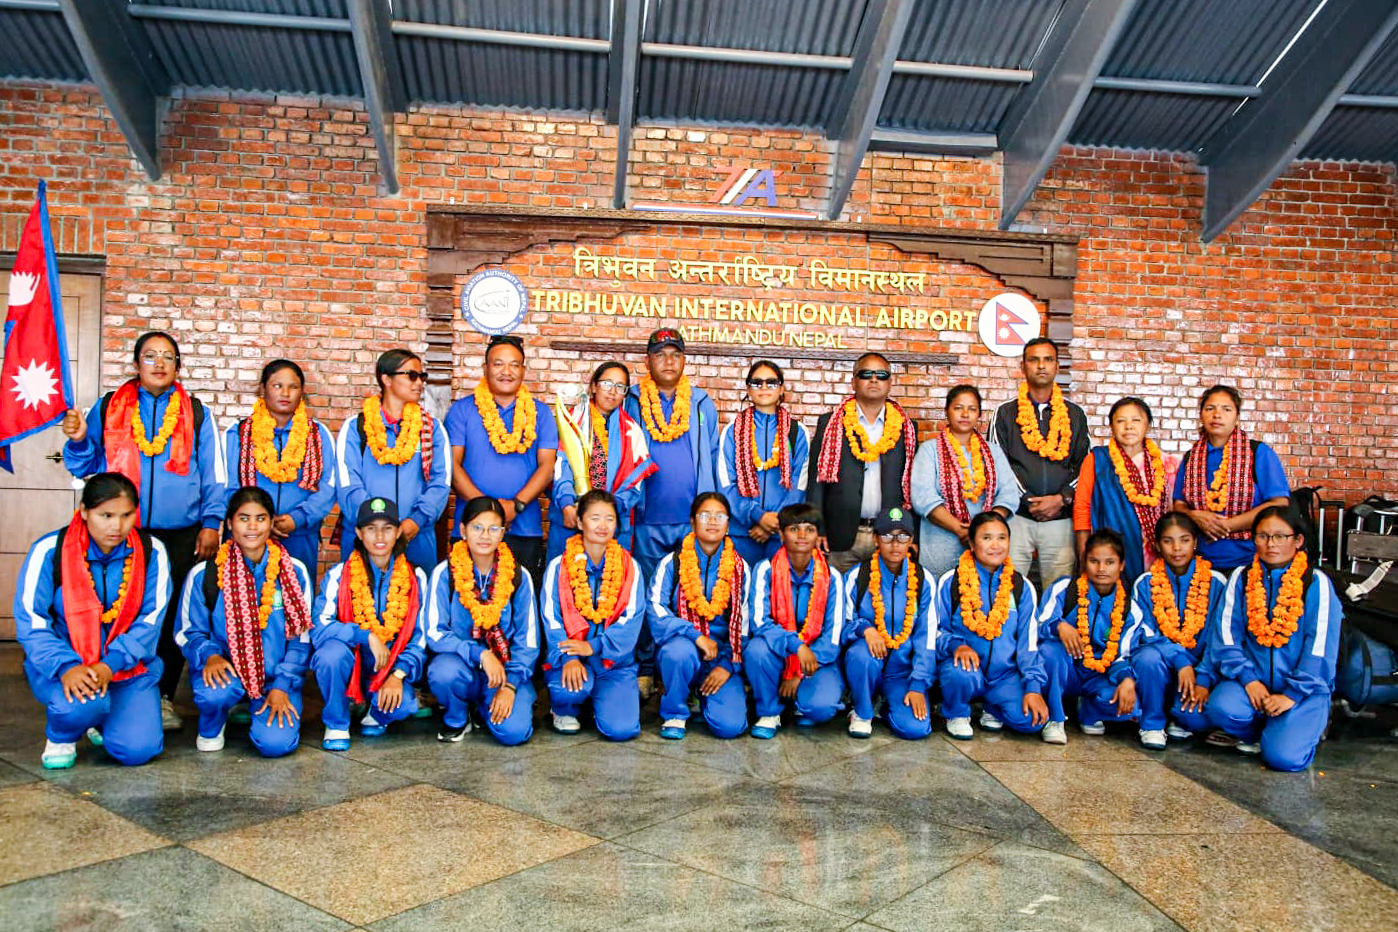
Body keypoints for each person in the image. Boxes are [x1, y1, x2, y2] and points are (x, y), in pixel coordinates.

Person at [61, 330, 226, 731]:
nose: (159, 363)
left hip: (181, 534)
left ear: (178, 367)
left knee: (170, 618)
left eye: (168, 356)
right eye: (150, 356)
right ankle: (109, 691)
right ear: (136, 364)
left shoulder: (197, 413)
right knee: (118, 612)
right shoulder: (109, 407)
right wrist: (79, 440)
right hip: (120, 531)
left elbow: (214, 475)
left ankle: (163, 696)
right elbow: (84, 466)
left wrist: (210, 523)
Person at [14, 472, 171, 769]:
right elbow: (32, 621)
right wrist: (66, 667)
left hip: (126, 668)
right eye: (106, 515)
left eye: (126, 515)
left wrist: (109, 665)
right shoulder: (50, 550)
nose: (117, 526)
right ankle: (62, 735)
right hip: (66, 666)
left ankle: (102, 720)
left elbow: (151, 621)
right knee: (81, 705)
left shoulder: (151, 552)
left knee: (138, 750)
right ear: (84, 511)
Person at [176, 487, 314, 757]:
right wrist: (210, 656)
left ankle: (258, 707)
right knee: (216, 692)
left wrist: (282, 685)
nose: (252, 527)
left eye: (261, 519)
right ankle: (213, 723)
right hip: (225, 672)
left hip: (275, 678)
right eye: (243, 518)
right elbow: (188, 632)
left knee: (276, 744)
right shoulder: (206, 573)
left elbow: (301, 639)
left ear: (271, 523)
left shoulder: (294, 571)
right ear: (229, 523)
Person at [1205, 506, 1342, 771]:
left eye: (1280, 536)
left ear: (1298, 540)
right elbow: (1226, 638)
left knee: (1284, 759)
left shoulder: (1316, 582)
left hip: (1303, 689)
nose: (1271, 544)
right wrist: (1248, 679)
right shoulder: (1241, 578)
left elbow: (1320, 649)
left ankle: (1303, 725)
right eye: (1263, 536)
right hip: (1252, 684)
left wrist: (1291, 695)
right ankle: (1258, 732)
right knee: (1221, 708)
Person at [625, 328, 720, 695]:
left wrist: (710, 511)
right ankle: (647, 668)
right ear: (648, 361)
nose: (668, 361)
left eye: (675, 354)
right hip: (646, 519)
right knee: (650, 597)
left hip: (692, 522)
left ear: (684, 360)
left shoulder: (701, 403)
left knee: (693, 596)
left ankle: (690, 674)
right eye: (660, 354)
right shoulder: (633, 401)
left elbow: (713, 455)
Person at [311, 497, 429, 751]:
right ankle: (337, 722)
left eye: (387, 528)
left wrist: (398, 675)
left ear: (398, 532)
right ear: (359, 533)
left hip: (388, 669)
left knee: (405, 705)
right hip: (351, 665)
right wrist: (364, 635)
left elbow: (421, 636)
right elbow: (319, 627)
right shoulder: (339, 575)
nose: (380, 536)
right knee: (329, 655)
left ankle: (375, 713)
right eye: (371, 528)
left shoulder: (415, 576)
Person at [425, 496, 539, 746]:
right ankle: (457, 717)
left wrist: (511, 685)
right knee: (443, 673)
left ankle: (487, 707)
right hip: (461, 665)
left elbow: (528, 641)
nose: (485, 535)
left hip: (504, 671)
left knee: (514, 733)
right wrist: (480, 654)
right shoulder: (445, 573)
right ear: (463, 530)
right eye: (477, 527)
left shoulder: (518, 576)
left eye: (493, 528)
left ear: (503, 533)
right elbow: (435, 633)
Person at [446, 335, 558, 585]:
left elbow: (547, 467)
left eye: (514, 365)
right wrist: (487, 511)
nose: (506, 371)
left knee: (521, 597)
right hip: (472, 527)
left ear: (523, 370)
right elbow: (451, 466)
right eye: (498, 364)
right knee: (468, 598)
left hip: (524, 527)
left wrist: (516, 506)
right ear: (485, 368)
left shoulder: (540, 413)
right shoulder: (462, 410)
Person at [540, 490, 646, 740]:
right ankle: (564, 709)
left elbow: (631, 621)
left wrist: (594, 646)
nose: (602, 525)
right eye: (594, 518)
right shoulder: (559, 566)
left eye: (609, 519)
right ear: (579, 522)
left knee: (621, 729)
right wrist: (569, 657)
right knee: (569, 691)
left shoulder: (630, 567)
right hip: (571, 658)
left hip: (612, 662)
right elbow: (552, 620)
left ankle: (602, 701)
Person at [935, 511, 1050, 741]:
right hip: (965, 668)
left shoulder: (1021, 587)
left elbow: (1028, 645)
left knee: (1032, 720)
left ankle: (992, 706)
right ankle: (957, 712)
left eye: (1002, 538)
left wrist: (1033, 688)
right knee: (959, 674)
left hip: (1004, 675)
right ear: (971, 543)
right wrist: (956, 645)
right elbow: (935, 632)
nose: (995, 545)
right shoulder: (952, 581)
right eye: (986, 538)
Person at [646, 493, 751, 740]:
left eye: (720, 516)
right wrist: (695, 636)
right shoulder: (672, 563)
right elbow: (656, 610)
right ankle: (675, 712)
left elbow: (745, 626)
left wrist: (727, 666)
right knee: (678, 654)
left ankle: (702, 695)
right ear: (693, 522)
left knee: (730, 727)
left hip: (721, 658)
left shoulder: (740, 569)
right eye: (705, 515)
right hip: (683, 650)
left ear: (728, 525)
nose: (712, 521)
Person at [336, 348, 450, 573]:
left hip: (415, 536)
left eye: (421, 376)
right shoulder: (356, 427)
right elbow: (348, 484)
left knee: (417, 594)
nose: (419, 383)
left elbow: (441, 483)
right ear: (386, 379)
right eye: (412, 376)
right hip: (366, 537)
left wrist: (416, 520)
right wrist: (376, 526)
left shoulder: (431, 428)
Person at [1037, 529, 1153, 745]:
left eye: (1109, 562)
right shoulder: (1065, 589)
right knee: (1051, 651)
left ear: (1121, 565)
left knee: (1130, 705)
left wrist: (1127, 679)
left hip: (1098, 675)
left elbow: (1122, 656)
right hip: (1066, 670)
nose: (1101, 569)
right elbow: (1038, 624)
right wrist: (1059, 626)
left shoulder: (1129, 609)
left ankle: (1089, 710)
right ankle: (1055, 718)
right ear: (1084, 562)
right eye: (1094, 561)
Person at [992, 338, 1090, 592]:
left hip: (1060, 518)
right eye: (1034, 360)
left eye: (1048, 359)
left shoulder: (1075, 415)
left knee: (1058, 592)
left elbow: (1084, 464)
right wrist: (1028, 500)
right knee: (1007, 590)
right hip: (1016, 517)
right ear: (1023, 366)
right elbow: (998, 464)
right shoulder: (1004, 413)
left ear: (1057, 366)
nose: (1041, 366)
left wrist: (1062, 498)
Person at [807, 353, 918, 574]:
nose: (874, 379)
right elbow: (816, 482)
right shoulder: (831, 424)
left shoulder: (906, 428)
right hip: (840, 536)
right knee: (837, 593)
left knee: (884, 594)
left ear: (890, 382)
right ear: (854, 382)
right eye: (866, 374)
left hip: (890, 536)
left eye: (881, 375)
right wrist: (817, 528)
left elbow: (913, 487)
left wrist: (913, 534)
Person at [224, 359, 337, 575]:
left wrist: (298, 518)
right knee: (243, 592)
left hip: (299, 534)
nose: (285, 393)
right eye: (277, 386)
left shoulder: (318, 434)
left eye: (293, 387)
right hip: (247, 534)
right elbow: (228, 485)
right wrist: (257, 521)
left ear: (301, 392)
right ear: (263, 389)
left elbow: (328, 487)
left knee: (297, 591)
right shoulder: (238, 432)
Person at [746, 503, 846, 739]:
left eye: (809, 529)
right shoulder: (765, 569)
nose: (802, 535)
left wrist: (798, 673)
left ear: (818, 536)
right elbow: (760, 623)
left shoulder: (832, 577)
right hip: (779, 652)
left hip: (815, 659)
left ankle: (802, 701)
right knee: (756, 650)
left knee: (821, 709)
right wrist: (796, 646)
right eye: (794, 529)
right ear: (781, 535)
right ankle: (769, 711)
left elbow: (832, 637)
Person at [1128, 512, 1229, 748]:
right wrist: (1180, 660)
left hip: (1200, 671)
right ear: (1156, 545)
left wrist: (1202, 676)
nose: (1176, 548)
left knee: (1192, 718)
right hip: (1161, 666)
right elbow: (1145, 633)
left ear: (1195, 542)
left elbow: (1218, 638)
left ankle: (1180, 717)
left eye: (1184, 540)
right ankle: (1152, 723)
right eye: (1168, 541)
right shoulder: (1145, 583)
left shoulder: (1216, 582)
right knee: (1147, 657)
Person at [547, 361, 655, 566]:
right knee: (566, 577)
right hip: (572, 516)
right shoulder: (572, 421)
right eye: (607, 383)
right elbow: (560, 468)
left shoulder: (632, 431)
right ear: (594, 386)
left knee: (612, 578)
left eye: (620, 387)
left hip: (612, 525)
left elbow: (635, 484)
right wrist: (567, 504)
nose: (613, 391)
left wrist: (610, 512)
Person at [842, 506, 936, 740]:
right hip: (868, 663)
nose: (895, 544)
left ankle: (886, 705)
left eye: (902, 536)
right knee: (861, 654)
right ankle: (862, 710)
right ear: (875, 539)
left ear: (911, 541)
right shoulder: (857, 576)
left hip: (901, 673)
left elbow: (927, 637)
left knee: (916, 729)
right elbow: (842, 624)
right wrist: (865, 629)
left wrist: (918, 684)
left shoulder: (923, 580)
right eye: (887, 536)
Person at [1172, 385, 1290, 571]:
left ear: (1237, 417)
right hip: (1199, 562)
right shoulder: (1191, 457)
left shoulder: (1258, 453)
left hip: (1251, 560)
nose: (1217, 415)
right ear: (1201, 415)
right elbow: (1179, 504)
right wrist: (1194, 516)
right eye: (1210, 408)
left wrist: (1226, 525)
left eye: (1226, 409)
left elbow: (1279, 504)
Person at [910, 385, 1018, 578]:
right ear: (947, 411)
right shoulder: (929, 450)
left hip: (986, 548)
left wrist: (983, 529)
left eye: (972, 409)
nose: (965, 414)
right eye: (958, 408)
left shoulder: (993, 452)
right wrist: (959, 529)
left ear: (979, 415)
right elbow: (923, 498)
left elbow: (1009, 494)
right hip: (939, 546)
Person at [1074, 397, 1176, 584]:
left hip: (1157, 552)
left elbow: (1175, 511)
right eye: (1121, 421)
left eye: (1136, 420)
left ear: (1148, 425)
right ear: (1112, 426)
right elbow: (1082, 507)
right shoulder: (1097, 460)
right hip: (1110, 551)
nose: (1128, 426)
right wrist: (1083, 552)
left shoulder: (1167, 463)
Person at [718, 360, 810, 567]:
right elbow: (726, 484)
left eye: (771, 382)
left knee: (777, 587)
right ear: (748, 389)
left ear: (782, 389)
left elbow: (799, 484)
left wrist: (773, 523)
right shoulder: (732, 431)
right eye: (757, 382)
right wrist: (757, 516)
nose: (764, 387)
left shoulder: (797, 432)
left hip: (782, 536)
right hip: (742, 534)